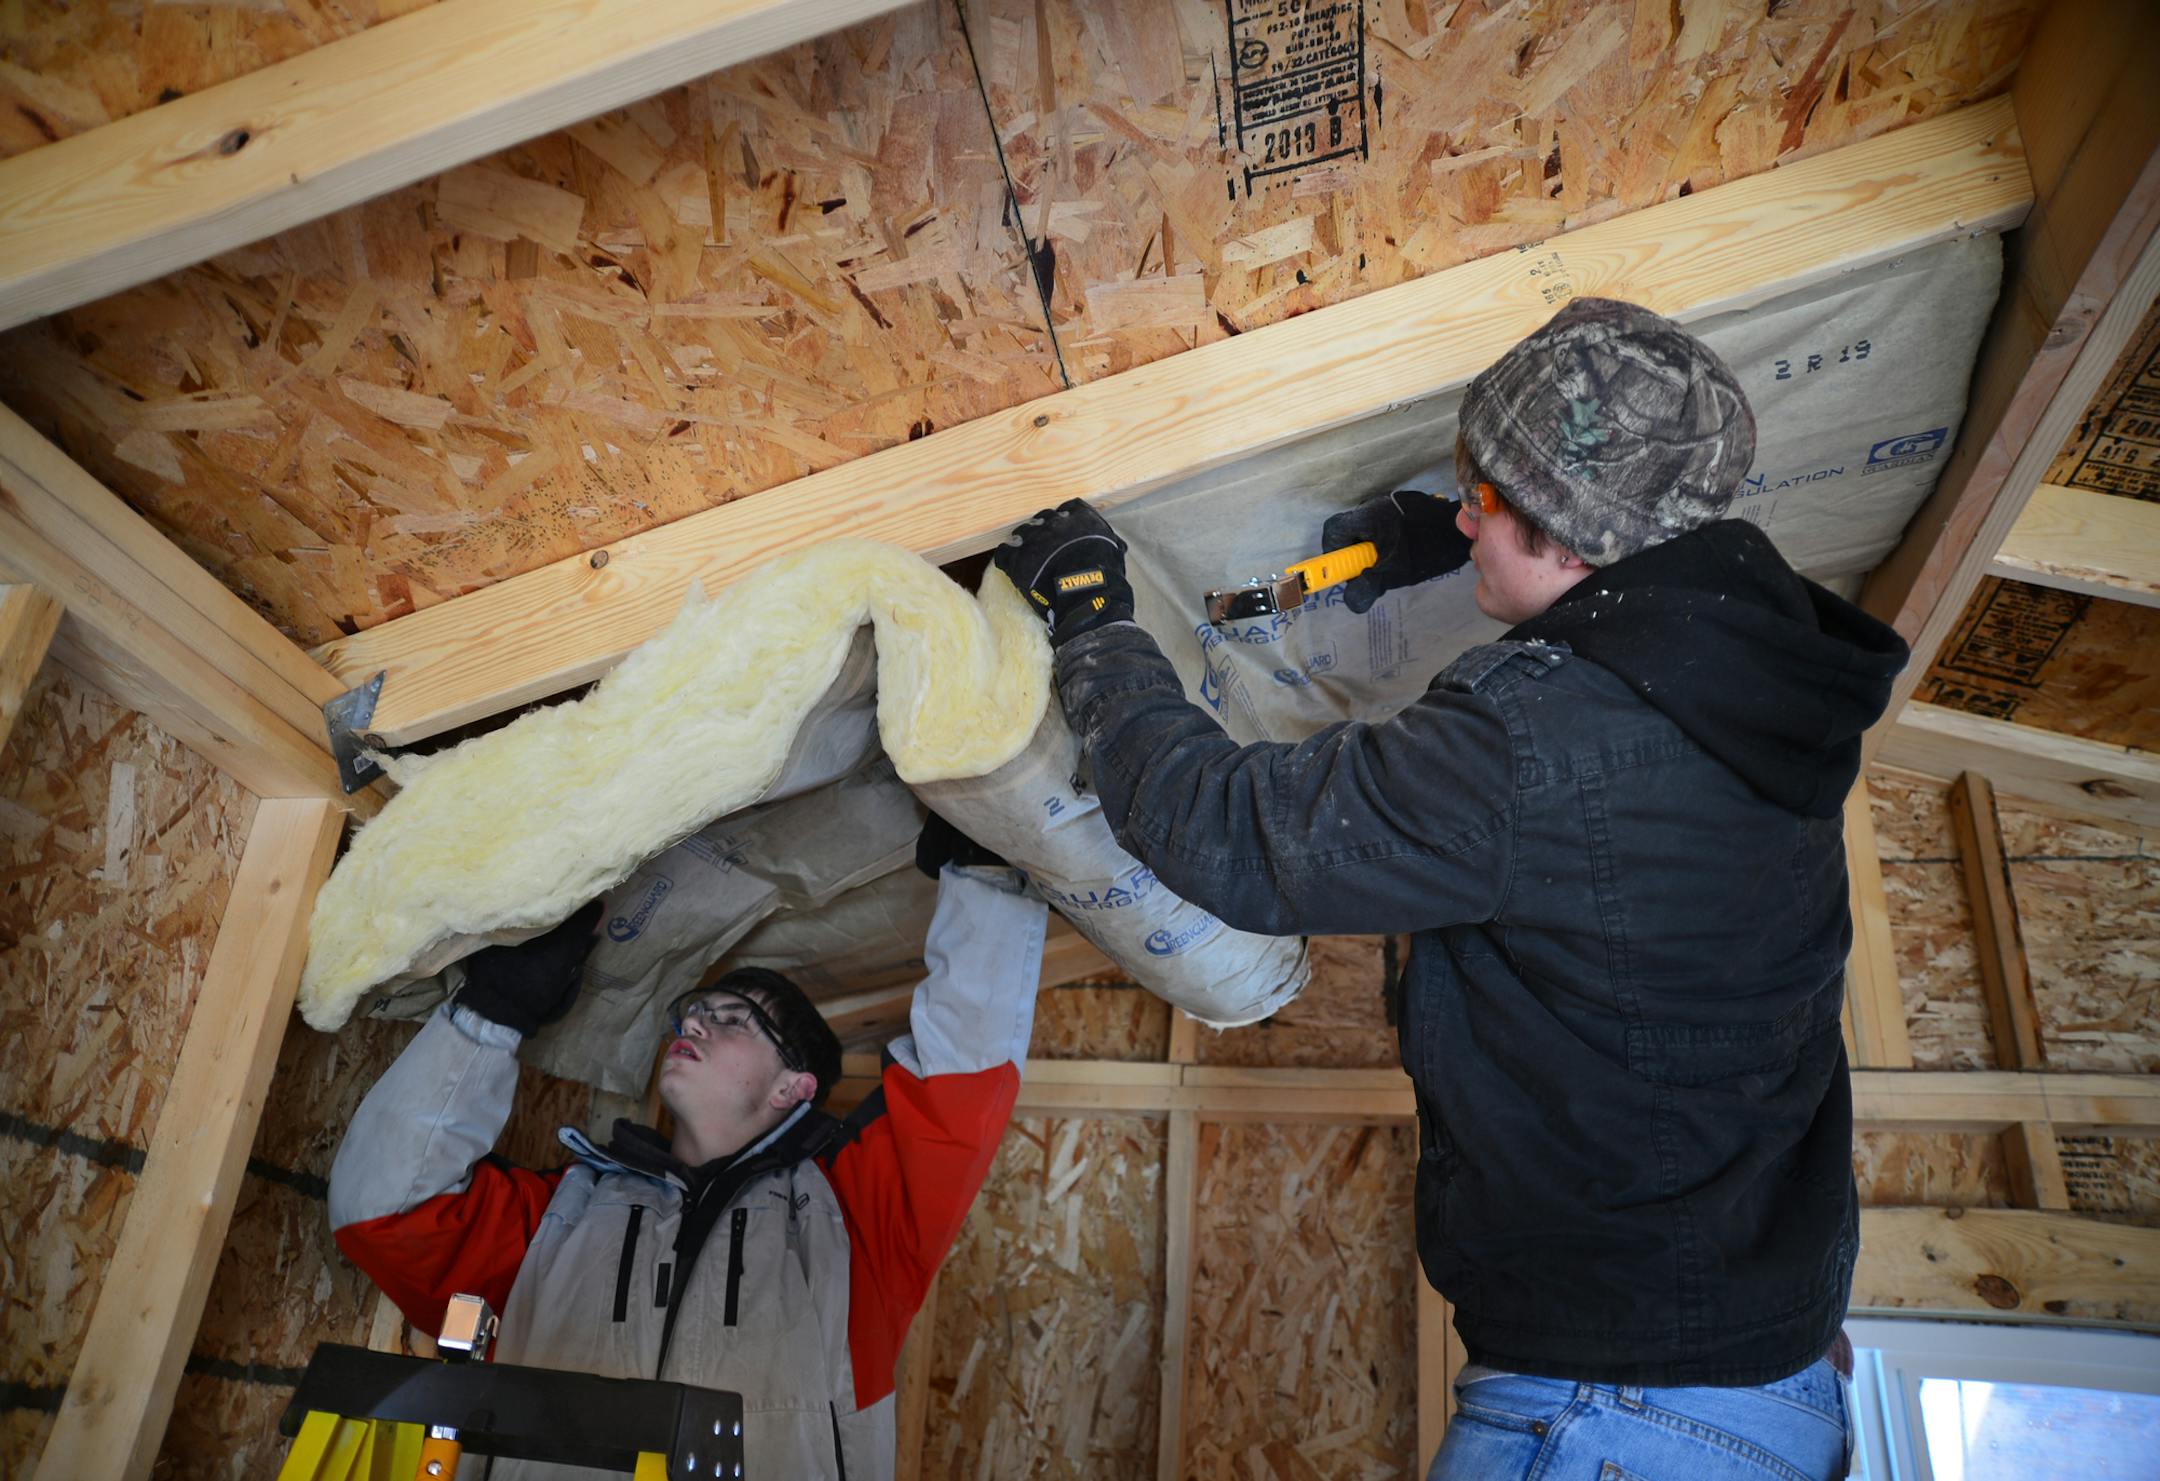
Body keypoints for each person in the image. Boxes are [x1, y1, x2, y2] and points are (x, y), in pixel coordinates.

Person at [995, 298, 1908, 1480]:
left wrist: (1092, 617)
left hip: (1622, 1413)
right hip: (1763, 1378)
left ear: (1578, 542)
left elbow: (1230, 828)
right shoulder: (1758, 677)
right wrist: (1511, 570)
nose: (1465, 512)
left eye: (1490, 501)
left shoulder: (1538, 746)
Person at [327, 831, 1046, 1480]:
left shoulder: (853, 1226)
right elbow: (383, 1211)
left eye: (734, 1019)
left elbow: (959, 1076)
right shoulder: (564, 1215)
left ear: (794, 1085)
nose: (696, 1020)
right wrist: (496, 1009)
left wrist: (985, 858)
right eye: (694, 1011)